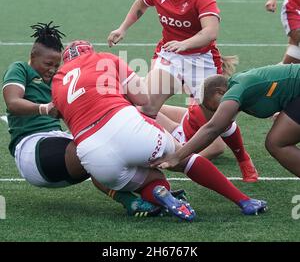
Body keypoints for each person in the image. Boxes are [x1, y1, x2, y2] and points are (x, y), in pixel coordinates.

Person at [52, 39, 267, 220]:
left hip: (93, 152)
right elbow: (144, 100)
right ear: (90, 52)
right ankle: (244, 201)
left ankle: (156, 191)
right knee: (184, 158)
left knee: (151, 179)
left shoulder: (57, 81)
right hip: (124, 124)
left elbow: (61, 115)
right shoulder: (105, 59)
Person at [2, 22, 162, 218]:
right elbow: (12, 102)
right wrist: (43, 108)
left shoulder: (60, 80)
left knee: (103, 151)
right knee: (93, 149)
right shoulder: (20, 69)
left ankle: (151, 196)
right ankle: (133, 198)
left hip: (60, 145)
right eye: (47, 64)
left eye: (56, 65)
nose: (52, 69)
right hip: (31, 147)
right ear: (33, 56)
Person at [107, 0, 231, 119]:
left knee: (213, 126)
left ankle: (233, 146)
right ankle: (163, 142)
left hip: (201, 60)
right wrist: (123, 28)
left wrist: (184, 44)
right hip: (170, 56)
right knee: (146, 107)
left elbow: (211, 32)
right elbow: (142, 3)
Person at [152, 64, 300, 181]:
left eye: (214, 107)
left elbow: (213, 128)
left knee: (276, 142)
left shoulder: (236, 90)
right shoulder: (240, 85)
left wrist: (177, 156)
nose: (217, 112)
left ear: (220, 92)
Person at [157, 101, 258, 182]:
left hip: (183, 140)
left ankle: (243, 159)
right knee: (148, 108)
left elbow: (218, 147)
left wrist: (187, 160)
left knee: (220, 119)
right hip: (178, 131)